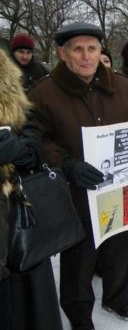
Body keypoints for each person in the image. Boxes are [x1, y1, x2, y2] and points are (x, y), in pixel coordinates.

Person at [29, 22, 128, 329]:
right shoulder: (43, 93)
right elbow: (36, 139)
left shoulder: (126, 88)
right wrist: (66, 164)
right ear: (62, 53)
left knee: (118, 246)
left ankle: (117, 298)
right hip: (74, 192)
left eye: (92, 48)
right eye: (77, 49)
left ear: (100, 51)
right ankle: (79, 312)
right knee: (79, 257)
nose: (86, 56)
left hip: (119, 188)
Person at [0, 49, 62, 330]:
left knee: (25, 301)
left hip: (15, 218)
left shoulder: (15, 101)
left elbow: (35, 143)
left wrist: (19, 150)